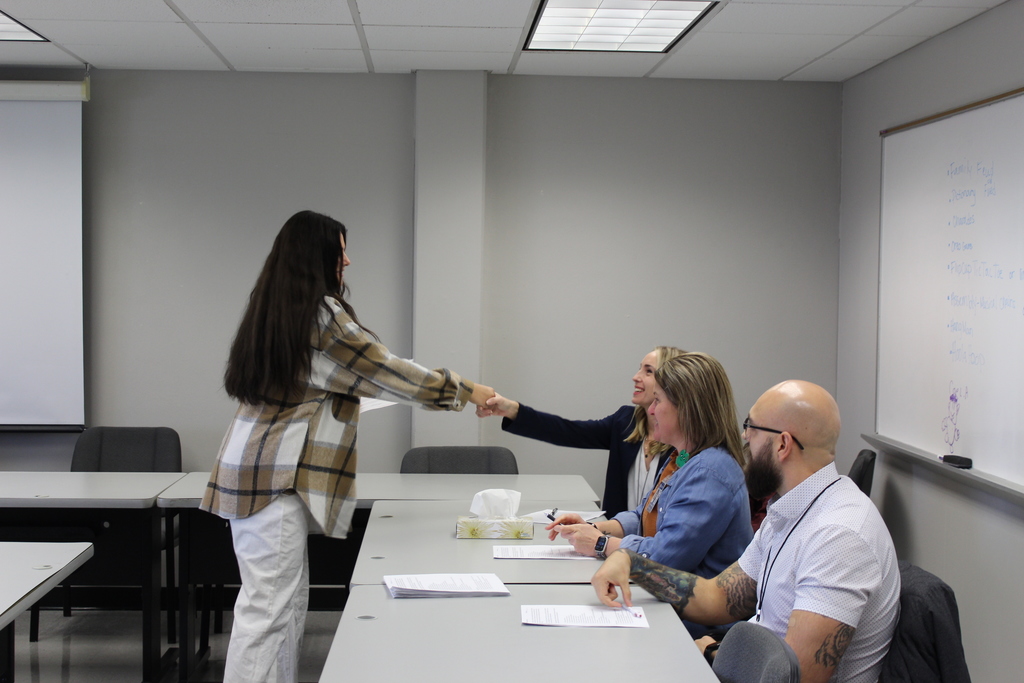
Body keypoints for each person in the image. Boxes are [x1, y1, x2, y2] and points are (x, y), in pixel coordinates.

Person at [201, 211, 494, 683]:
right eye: (340, 252)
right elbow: (387, 371)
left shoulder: (274, 309)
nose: (348, 261)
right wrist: (468, 390)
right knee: (268, 612)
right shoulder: (321, 314)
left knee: (282, 602)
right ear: (316, 258)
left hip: (253, 471)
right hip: (273, 481)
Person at [591, 380, 900, 683]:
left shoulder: (838, 537)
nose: (744, 436)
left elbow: (796, 677)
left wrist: (713, 651)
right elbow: (719, 598)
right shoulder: (789, 512)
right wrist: (635, 565)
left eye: (751, 427)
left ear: (783, 444)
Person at [550, 352, 752, 636]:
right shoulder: (682, 458)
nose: (651, 410)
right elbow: (643, 514)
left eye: (658, 401)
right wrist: (593, 528)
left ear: (687, 409)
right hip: (667, 607)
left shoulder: (710, 473)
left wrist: (601, 544)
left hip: (698, 628)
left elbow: (663, 560)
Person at [476, 346, 686, 516]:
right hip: (616, 541)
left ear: (672, 382)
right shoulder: (625, 422)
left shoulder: (686, 443)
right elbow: (568, 431)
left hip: (658, 549)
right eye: (639, 368)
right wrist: (511, 410)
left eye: (648, 371)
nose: (635, 377)